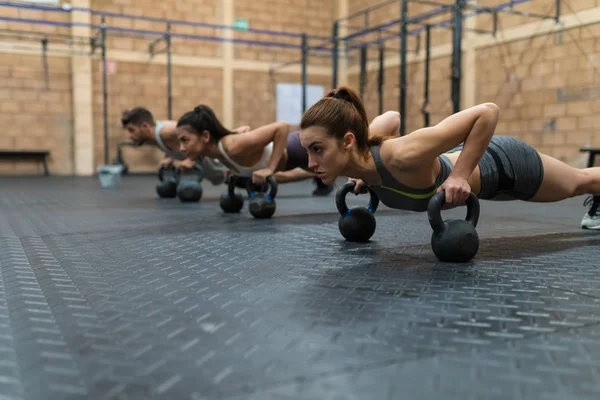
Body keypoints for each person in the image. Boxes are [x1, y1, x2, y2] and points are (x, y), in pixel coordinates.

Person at [297, 86, 600, 222]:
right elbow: (390, 116)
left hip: (504, 163)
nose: (311, 163)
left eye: (318, 150)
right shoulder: (362, 157)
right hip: (489, 187)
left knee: (580, 182)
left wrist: (459, 176)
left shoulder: (402, 154)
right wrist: (356, 170)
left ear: (347, 141)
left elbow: (487, 112)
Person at [174, 105, 335, 195]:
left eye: (185, 140)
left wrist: (270, 168)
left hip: (298, 148)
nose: (181, 148)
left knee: (348, 168)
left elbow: (282, 127)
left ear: (206, 136)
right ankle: (322, 179)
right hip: (292, 162)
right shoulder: (216, 154)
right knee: (324, 172)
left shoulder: (232, 147)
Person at [121, 107, 250, 184]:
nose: (130, 136)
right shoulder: (153, 137)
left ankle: (240, 134)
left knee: (252, 180)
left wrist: (191, 159)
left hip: (224, 163)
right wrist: (169, 157)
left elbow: (195, 133)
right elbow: (176, 143)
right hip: (217, 172)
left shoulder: (167, 130)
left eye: (132, 130)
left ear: (144, 126)